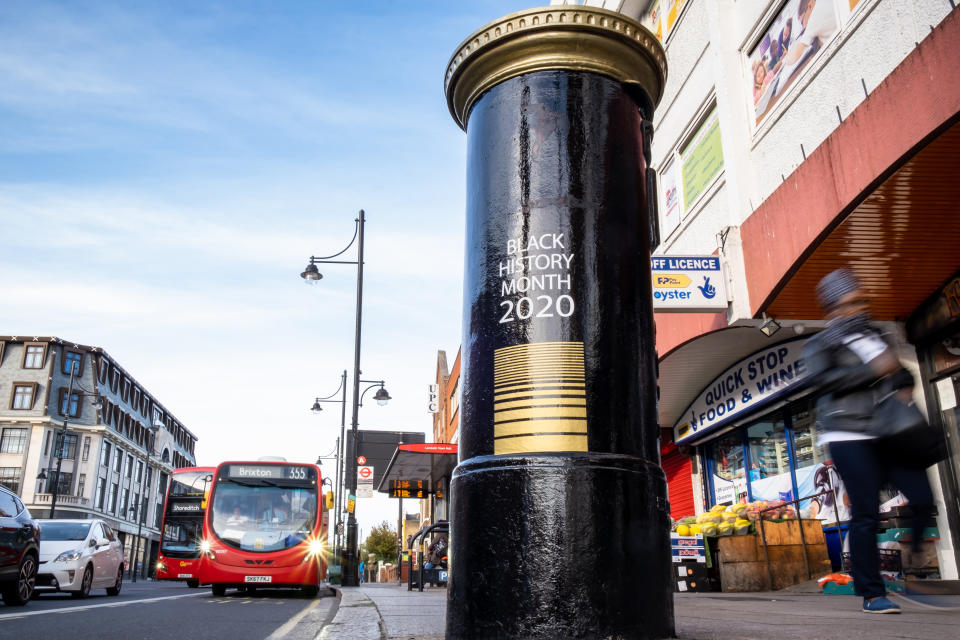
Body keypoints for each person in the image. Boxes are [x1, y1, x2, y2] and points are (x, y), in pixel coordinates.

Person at [804, 269, 935, 614]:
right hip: (847, 433)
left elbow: (898, 370)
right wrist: (872, 370)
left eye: (860, 300)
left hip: (888, 431)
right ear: (833, 308)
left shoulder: (876, 334)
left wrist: (903, 381)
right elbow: (822, 381)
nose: (858, 308)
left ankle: (917, 555)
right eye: (849, 303)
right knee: (865, 514)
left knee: (922, 498)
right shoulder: (821, 343)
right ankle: (872, 593)